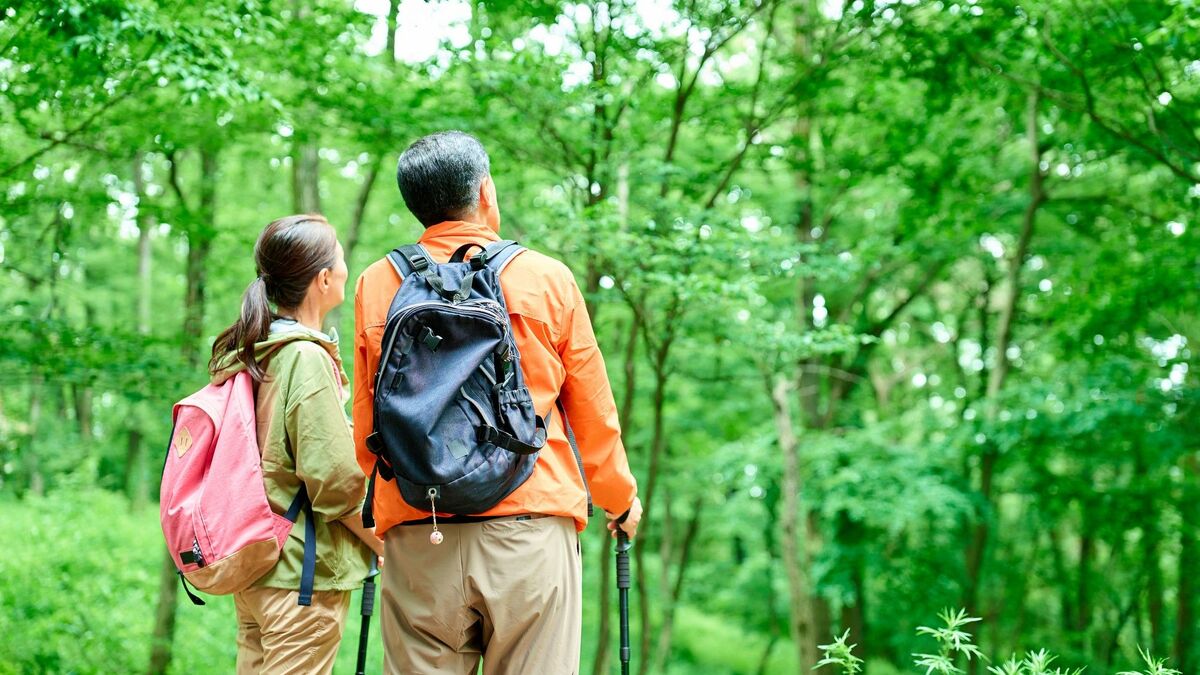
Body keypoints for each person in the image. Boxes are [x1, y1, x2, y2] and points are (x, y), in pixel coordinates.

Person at [353, 130, 643, 674]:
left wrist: (376, 514)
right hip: (531, 528)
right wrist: (620, 500)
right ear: (486, 191)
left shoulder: (377, 283)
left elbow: (368, 420)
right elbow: (593, 413)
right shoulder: (545, 278)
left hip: (420, 525)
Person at [209, 214, 384, 675]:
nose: (346, 268)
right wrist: (383, 541)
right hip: (300, 580)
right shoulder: (304, 358)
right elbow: (335, 483)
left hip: (259, 569)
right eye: (341, 260)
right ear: (324, 278)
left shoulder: (255, 351)